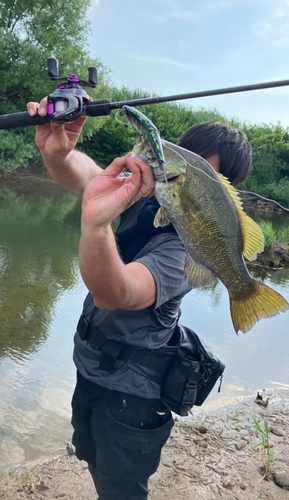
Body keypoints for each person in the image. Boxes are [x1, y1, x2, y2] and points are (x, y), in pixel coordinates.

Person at [27, 98, 252, 500]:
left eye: (203, 177)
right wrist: (59, 154)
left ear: (220, 194)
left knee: (122, 491)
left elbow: (119, 293)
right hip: (93, 369)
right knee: (95, 464)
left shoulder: (186, 249)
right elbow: (88, 175)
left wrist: (95, 226)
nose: (177, 176)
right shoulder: (152, 197)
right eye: (183, 161)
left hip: (132, 397)